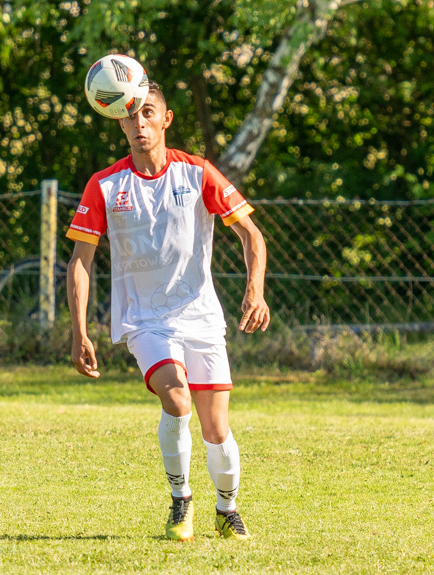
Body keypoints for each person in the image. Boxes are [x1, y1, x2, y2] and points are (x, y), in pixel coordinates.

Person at [66, 81, 270, 541]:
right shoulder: (104, 184)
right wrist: (79, 332)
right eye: (131, 116)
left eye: (148, 114)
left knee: (217, 428)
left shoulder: (197, 173)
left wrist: (255, 291)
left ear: (166, 118)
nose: (140, 124)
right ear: (119, 120)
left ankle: (227, 509)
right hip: (145, 320)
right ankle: (181, 502)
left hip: (200, 316)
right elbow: (80, 261)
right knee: (176, 399)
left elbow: (251, 235)